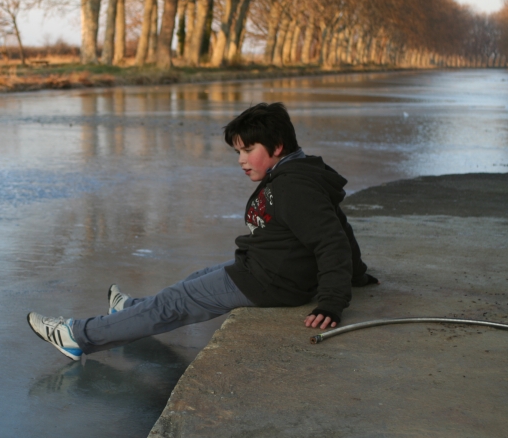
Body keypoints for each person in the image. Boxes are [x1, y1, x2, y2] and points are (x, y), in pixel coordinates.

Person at [27, 102, 378, 361]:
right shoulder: (294, 175)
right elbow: (338, 224)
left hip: (271, 281)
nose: (240, 159)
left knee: (174, 304)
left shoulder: (293, 187)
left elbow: (331, 239)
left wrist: (333, 301)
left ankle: (77, 336)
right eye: (238, 151)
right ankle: (131, 309)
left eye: (247, 150)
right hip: (263, 269)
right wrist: (356, 275)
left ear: (277, 147)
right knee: (192, 282)